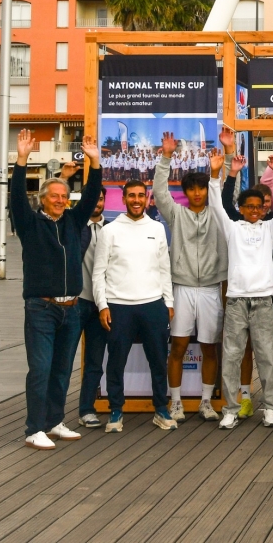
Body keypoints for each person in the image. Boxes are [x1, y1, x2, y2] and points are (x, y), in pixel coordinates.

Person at [13, 128, 103, 450]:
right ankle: (34, 427)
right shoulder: (29, 224)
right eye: (55, 197)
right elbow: (16, 199)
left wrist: (95, 163)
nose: (61, 201)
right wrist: (22, 159)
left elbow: (91, 197)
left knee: (63, 369)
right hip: (41, 307)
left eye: (64, 197)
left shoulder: (72, 222)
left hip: (71, 309)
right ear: (43, 200)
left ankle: (53, 422)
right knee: (40, 368)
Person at [208, 145, 273, 429]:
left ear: (263, 209)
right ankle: (231, 409)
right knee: (232, 357)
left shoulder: (269, 228)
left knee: (267, 357)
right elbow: (216, 205)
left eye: (258, 207)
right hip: (236, 300)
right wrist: (218, 173)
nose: (254, 212)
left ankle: (271, 407)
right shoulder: (232, 227)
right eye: (248, 207)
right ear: (241, 209)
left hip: (263, 301)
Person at [154, 129, 229, 424]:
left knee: (210, 347)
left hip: (211, 287)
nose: (198, 193)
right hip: (182, 287)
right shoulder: (177, 214)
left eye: (202, 188)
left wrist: (226, 157)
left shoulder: (219, 214)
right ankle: (175, 403)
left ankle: (206, 401)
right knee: (180, 347)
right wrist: (166, 157)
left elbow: (228, 189)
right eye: (192, 189)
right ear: (185, 192)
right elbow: (160, 193)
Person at [92, 179, 175, 433]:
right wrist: (102, 305)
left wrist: (168, 302)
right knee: (116, 363)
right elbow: (99, 273)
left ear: (147, 197)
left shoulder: (157, 228)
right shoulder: (110, 230)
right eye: (132, 196)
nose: (137, 200)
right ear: (124, 198)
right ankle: (116, 411)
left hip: (153, 305)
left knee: (159, 362)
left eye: (141, 195)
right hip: (119, 307)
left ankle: (161, 409)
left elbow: (164, 268)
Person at [75, 195, 109, 428]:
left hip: (102, 306)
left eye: (100, 199)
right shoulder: (74, 226)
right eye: (93, 199)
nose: (96, 203)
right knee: (65, 359)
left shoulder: (113, 229)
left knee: (95, 361)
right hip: (76, 302)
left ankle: (87, 409)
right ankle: (51, 412)